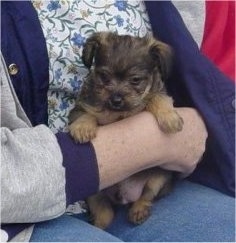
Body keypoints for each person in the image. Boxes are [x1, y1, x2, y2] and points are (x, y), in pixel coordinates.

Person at [1, 1, 234, 242]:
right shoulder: (94, 92)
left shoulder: (155, 63)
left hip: (147, 176)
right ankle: (101, 213)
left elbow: (169, 91)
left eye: (134, 81)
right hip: (28, 204)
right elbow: (83, 112)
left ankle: (144, 201)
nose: (117, 93)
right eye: (104, 78)